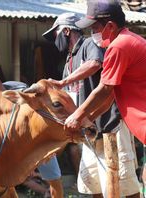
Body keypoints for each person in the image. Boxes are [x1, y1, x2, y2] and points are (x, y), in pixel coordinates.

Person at [43, 10, 140, 197]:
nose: (55, 41)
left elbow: (95, 63)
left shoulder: (89, 44)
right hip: (89, 130)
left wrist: (64, 82)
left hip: (110, 124)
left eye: (55, 34)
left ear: (66, 32)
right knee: (94, 184)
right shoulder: (68, 63)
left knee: (123, 183)